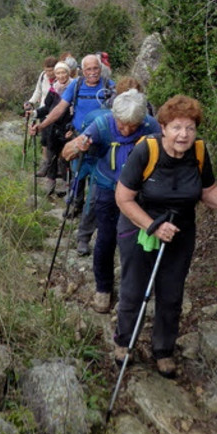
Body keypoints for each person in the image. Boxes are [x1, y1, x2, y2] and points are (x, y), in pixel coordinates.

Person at [113, 94, 217, 378]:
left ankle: (163, 350)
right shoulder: (146, 150)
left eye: (190, 128)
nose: (183, 134)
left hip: (180, 232)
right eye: (176, 127)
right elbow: (123, 198)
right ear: (163, 127)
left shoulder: (198, 152)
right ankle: (124, 342)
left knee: (172, 293)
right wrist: (152, 226)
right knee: (134, 289)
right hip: (140, 227)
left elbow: (208, 191)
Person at [63, 88, 160, 312]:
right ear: (114, 115)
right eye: (122, 125)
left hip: (139, 194)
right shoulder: (102, 125)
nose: (127, 130)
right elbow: (66, 153)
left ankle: (135, 291)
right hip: (107, 189)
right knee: (106, 239)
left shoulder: (150, 126)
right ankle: (103, 288)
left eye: (133, 126)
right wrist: (78, 146)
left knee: (138, 243)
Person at [31, 54, 115, 255]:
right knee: (76, 180)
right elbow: (59, 109)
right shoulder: (76, 86)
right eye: (89, 69)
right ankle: (75, 205)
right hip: (77, 142)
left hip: (102, 147)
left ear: (100, 69)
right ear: (82, 71)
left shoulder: (110, 86)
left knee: (95, 193)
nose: (93, 73)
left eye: (96, 68)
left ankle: (83, 235)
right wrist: (42, 125)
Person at [36, 61, 73, 197]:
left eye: (63, 72)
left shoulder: (74, 88)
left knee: (65, 157)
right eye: (58, 73)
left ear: (68, 73)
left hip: (67, 128)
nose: (61, 75)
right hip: (52, 127)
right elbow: (47, 108)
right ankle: (50, 182)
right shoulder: (53, 89)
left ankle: (66, 183)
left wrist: (72, 127)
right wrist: (34, 113)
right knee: (51, 155)